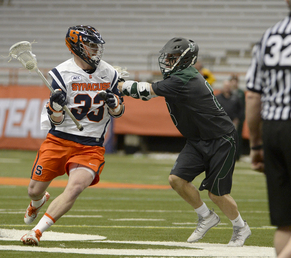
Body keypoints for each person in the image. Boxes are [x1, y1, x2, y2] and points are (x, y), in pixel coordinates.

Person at [118, 37, 251, 246]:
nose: (167, 62)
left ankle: (241, 227)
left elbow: (146, 91)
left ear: (184, 59)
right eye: (168, 57)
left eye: (172, 58)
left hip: (221, 139)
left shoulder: (184, 79)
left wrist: (118, 85)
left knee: (217, 194)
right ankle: (206, 216)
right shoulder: (179, 77)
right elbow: (148, 93)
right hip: (197, 139)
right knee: (176, 180)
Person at [20, 25, 125, 246]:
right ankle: (37, 202)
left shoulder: (110, 73)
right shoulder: (61, 73)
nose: (96, 51)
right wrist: (56, 108)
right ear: (77, 47)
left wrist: (115, 105)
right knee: (34, 190)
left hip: (91, 145)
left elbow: (118, 112)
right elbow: (55, 120)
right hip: (59, 139)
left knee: (75, 187)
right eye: (92, 46)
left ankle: (36, 232)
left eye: (98, 46)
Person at [246, 1, 291, 256]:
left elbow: (253, 96)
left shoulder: (269, 35)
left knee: (285, 222)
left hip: (273, 128)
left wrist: (256, 144)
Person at [230, 74, 245, 160]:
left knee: (238, 136)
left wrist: (239, 118)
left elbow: (242, 106)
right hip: (230, 117)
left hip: (238, 118)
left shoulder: (240, 93)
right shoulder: (229, 92)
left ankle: (238, 154)